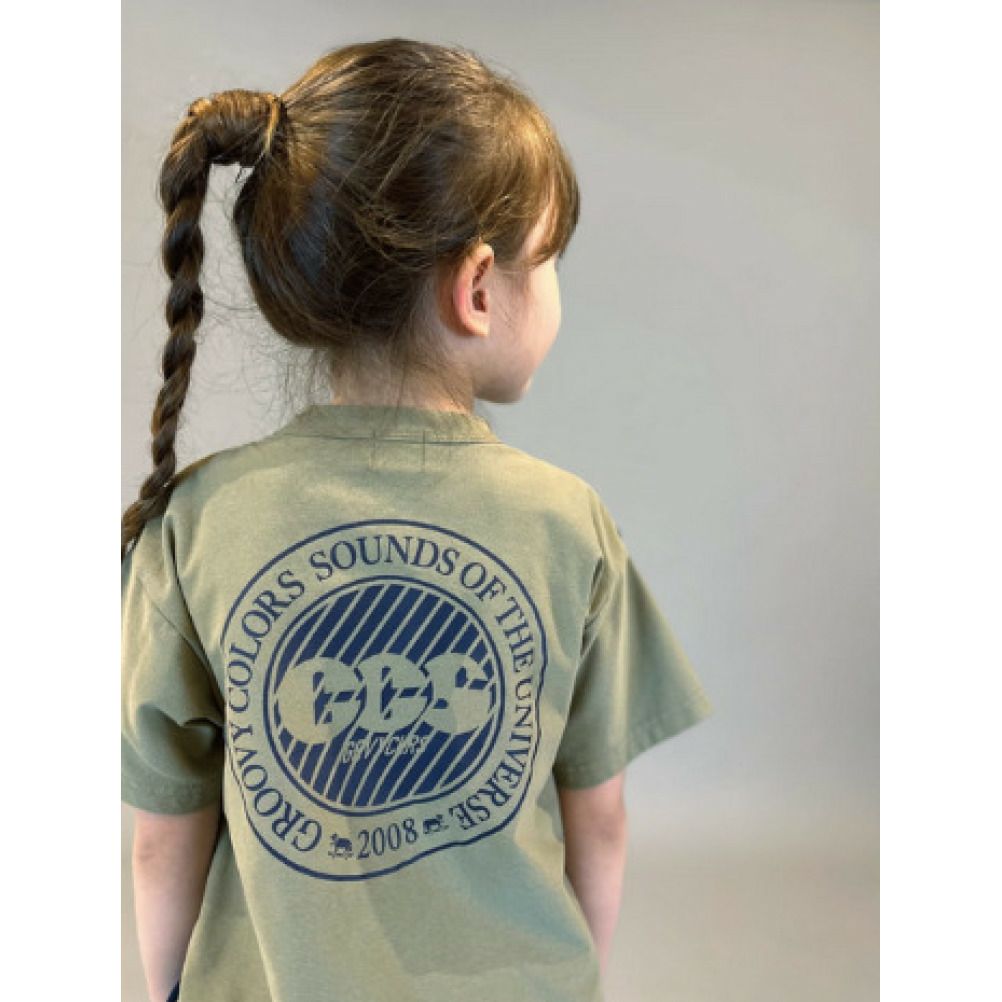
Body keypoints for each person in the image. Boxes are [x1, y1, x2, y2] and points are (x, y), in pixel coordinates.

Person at [121, 38, 713, 1002]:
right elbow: (600, 819)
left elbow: (162, 832)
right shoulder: (568, 522)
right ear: (478, 289)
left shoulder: (196, 520)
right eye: (548, 259)